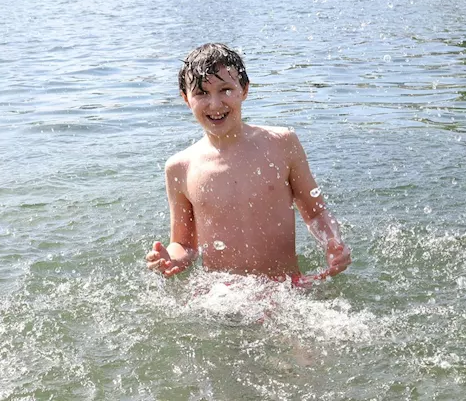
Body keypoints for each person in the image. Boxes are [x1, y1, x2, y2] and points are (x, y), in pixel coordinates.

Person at [146, 43, 350, 286]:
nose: (215, 104)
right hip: (222, 295)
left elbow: (315, 212)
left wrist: (332, 242)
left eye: (225, 90)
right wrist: (171, 259)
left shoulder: (282, 144)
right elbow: (184, 244)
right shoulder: (180, 167)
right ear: (186, 99)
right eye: (201, 93)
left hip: (286, 286)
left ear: (244, 90)